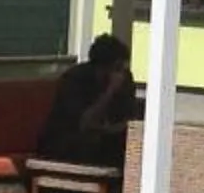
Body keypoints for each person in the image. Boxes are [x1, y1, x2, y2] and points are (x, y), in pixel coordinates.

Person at [38, 33, 137, 164]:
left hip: (105, 137)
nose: (121, 74)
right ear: (101, 68)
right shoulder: (74, 79)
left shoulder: (125, 79)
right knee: (91, 142)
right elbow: (84, 123)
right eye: (117, 68)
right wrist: (110, 91)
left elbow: (129, 119)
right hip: (65, 141)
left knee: (128, 144)